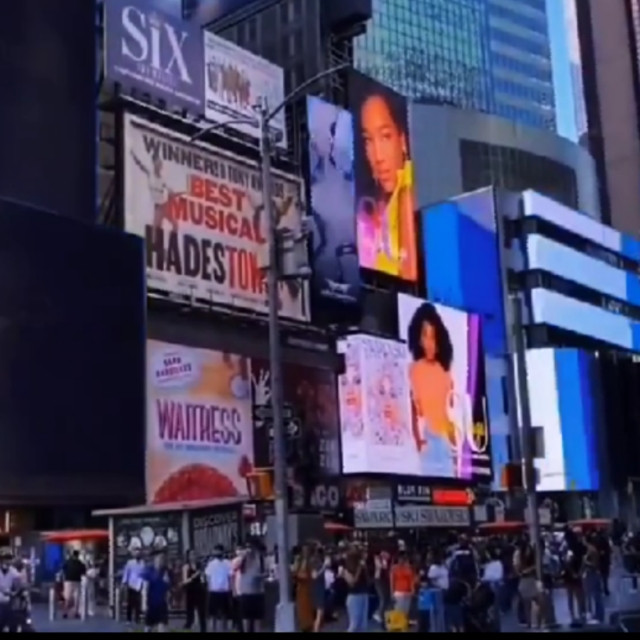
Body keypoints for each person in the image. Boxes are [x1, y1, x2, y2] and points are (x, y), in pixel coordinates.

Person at [356, 90, 416, 279]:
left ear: (402, 140)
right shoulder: (376, 206)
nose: (378, 156)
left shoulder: (407, 193)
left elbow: (409, 274)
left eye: (385, 136)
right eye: (368, 140)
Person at [407, 302, 462, 479]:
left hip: (445, 443)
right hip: (427, 443)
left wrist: (455, 453)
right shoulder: (414, 370)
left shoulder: (445, 373)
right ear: (418, 338)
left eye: (433, 337)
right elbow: (412, 413)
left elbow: (450, 415)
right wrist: (419, 441)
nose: (429, 343)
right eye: (425, 336)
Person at [236, 540, 266, 632]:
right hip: (246, 594)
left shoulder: (260, 560)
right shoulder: (242, 560)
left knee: (257, 621)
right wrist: (242, 556)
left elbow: (265, 572)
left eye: (251, 547)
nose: (249, 550)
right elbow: (234, 566)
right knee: (246, 620)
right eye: (247, 548)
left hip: (257, 594)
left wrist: (260, 576)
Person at [205, 545, 232, 632]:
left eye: (218, 551)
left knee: (225, 613)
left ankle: (224, 629)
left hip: (224, 591)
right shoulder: (211, 564)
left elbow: (230, 576)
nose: (217, 553)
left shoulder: (227, 563)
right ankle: (213, 629)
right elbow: (208, 577)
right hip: (214, 591)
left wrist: (230, 588)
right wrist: (209, 588)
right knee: (213, 614)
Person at [341, 550, 369, 632]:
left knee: (363, 624)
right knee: (354, 624)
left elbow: (368, 581)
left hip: (363, 594)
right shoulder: (346, 570)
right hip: (354, 597)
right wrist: (359, 568)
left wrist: (365, 568)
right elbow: (352, 582)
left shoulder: (362, 569)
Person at [143, 552, 171, 633]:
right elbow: (145, 587)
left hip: (162, 604)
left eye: (162, 559)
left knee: (162, 626)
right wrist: (144, 603)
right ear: (155, 560)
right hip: (151, 604)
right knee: (148, 627)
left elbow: (168, 588)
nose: (161, 561)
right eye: (159, 558)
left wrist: (167, 582)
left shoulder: (165, 572)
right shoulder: (149, 571)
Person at [182, 549, 206, 632]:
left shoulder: (199, 566)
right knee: (190, 611)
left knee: (201, 611)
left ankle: (203, 628)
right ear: (188, 556)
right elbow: (185, 581)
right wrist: (193, 576)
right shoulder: (186, 566)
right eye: (191, 554)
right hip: (190, 590)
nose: (193, 556)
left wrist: (202, 577)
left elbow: (202, 579)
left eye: (195, 554)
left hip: (199, 590)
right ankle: (189, 626)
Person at [292, 545, 315, 632]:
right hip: (301, 591)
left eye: (306, 550)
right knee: (302, 613)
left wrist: (296, 575)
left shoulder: (310, 562)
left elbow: (306, 576)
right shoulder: (300, 561)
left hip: (307, 590)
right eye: (303, 550)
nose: (305, 552)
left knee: (307, 614)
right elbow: (295, 573)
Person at [121, 548, 145, 626]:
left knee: (138, 603)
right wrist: (124, 582)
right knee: (130, 603)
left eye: (139, 553)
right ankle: (129, 619)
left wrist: (143, 583)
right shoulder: (130, 563)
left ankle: (137, 619)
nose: (138, 555)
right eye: (136, 553)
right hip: (131, 584)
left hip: (139, 584)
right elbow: (126, 572)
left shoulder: (142, 563)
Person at [62, 550, 86, 619]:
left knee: (67, 597)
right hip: (77, 581)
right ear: (78, 555)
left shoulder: (68, 562)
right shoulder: (80, 563)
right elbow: (83, 572)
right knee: (77, 597)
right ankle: (76, 613)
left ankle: (65, 612)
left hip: (68, 581)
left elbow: (63, 569)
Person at [390, 553, 415, 617]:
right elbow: (392, 581)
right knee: (398, 611)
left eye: (404, 559)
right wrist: (392, 592)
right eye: (400, 559)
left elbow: (411, 580)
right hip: (398, 592)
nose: (402, 560)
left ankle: (404, 622)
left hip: (408, 592)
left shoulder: (409, 568)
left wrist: (412, 590)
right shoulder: (394, 568)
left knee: (406, 611)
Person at [0, 552, 20, 632]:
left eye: (9, 560)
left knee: (13, 622)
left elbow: (18, 583)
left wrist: (16, 591)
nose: (8, 561)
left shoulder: (13, 571)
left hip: (8, 600)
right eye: (6, 559)